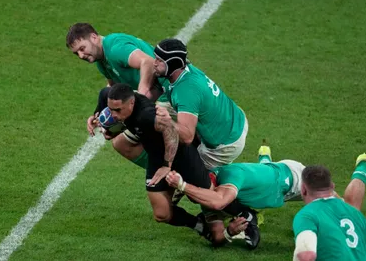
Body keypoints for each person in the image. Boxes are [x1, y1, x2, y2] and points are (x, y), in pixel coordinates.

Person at [106, 83, 254, 239]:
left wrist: (167, 165)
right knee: (161, 214)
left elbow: (171, 132)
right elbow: (105, 104)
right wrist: (97, 118)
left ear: (131, 103)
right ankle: (199, 226)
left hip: (182, 155)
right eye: (111, 109)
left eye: (117, 110)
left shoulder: (147, 115)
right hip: (157, 158)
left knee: (210, 195)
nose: (113, 115)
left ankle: (247, 213)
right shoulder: (108, 97)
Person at [66, 22, 170, 170]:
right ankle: (166, 173)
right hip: (157, 96)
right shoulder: (101, 60)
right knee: (121, 143)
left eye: (82, 48)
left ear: (94, 37)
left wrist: (141, 98)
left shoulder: (115, 48)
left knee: (150, 131)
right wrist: (98, 115)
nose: (81, 55)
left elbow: (147, 61)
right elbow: (114, 88)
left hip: (169, 95)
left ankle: (177, 172)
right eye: (76, 53)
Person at [166, 144, 300, 248]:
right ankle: (265, 158)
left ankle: (251, 215)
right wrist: (229, 232)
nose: (199, 199)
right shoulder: (207, 199)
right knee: (261, 173)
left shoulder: (231, 174)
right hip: (269, 191)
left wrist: (182, 186)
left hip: (292, 177)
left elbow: (219, 202)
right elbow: (217, 237)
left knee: (318, 197)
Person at [153, 38, 248, 170]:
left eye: (159, 60)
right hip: (234, 119)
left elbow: (186, 136)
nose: (154, 63)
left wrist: (167, 122)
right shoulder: (185, 72)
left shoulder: (186, 91)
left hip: (225, 144)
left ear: (172, 63)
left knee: (183, 176)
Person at [292, 154, 366, 261]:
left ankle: (364, 167)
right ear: (332, 186)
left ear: (303, 189)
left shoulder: (306, 215)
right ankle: (364, 167)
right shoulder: (354, 212)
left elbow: (307, 256)